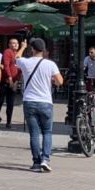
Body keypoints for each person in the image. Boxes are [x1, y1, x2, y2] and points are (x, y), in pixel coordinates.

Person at [16, 38, 63, 172]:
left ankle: (36, 162)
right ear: (43, 50)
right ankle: (45, 159)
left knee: (34, 134)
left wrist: (22, 47)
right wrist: (52, 80)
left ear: (32, 49)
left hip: (29, 101)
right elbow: (60, 81)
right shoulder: (50, 64)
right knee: (47, 132)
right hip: (45, 102)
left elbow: (16, 57)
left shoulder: (25, 62)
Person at [0, 38, 20, 129]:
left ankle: (9, 122)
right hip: (5, 81)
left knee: (10, 103)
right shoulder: (7, 52)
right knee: (0, 101)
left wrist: (16, 80)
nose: (15, 45)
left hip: (14, 82)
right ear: (9, 45)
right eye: (13, 43)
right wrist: (9, 78)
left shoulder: (18, 54)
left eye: (16, 43)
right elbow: (6, 65)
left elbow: (19, 69)